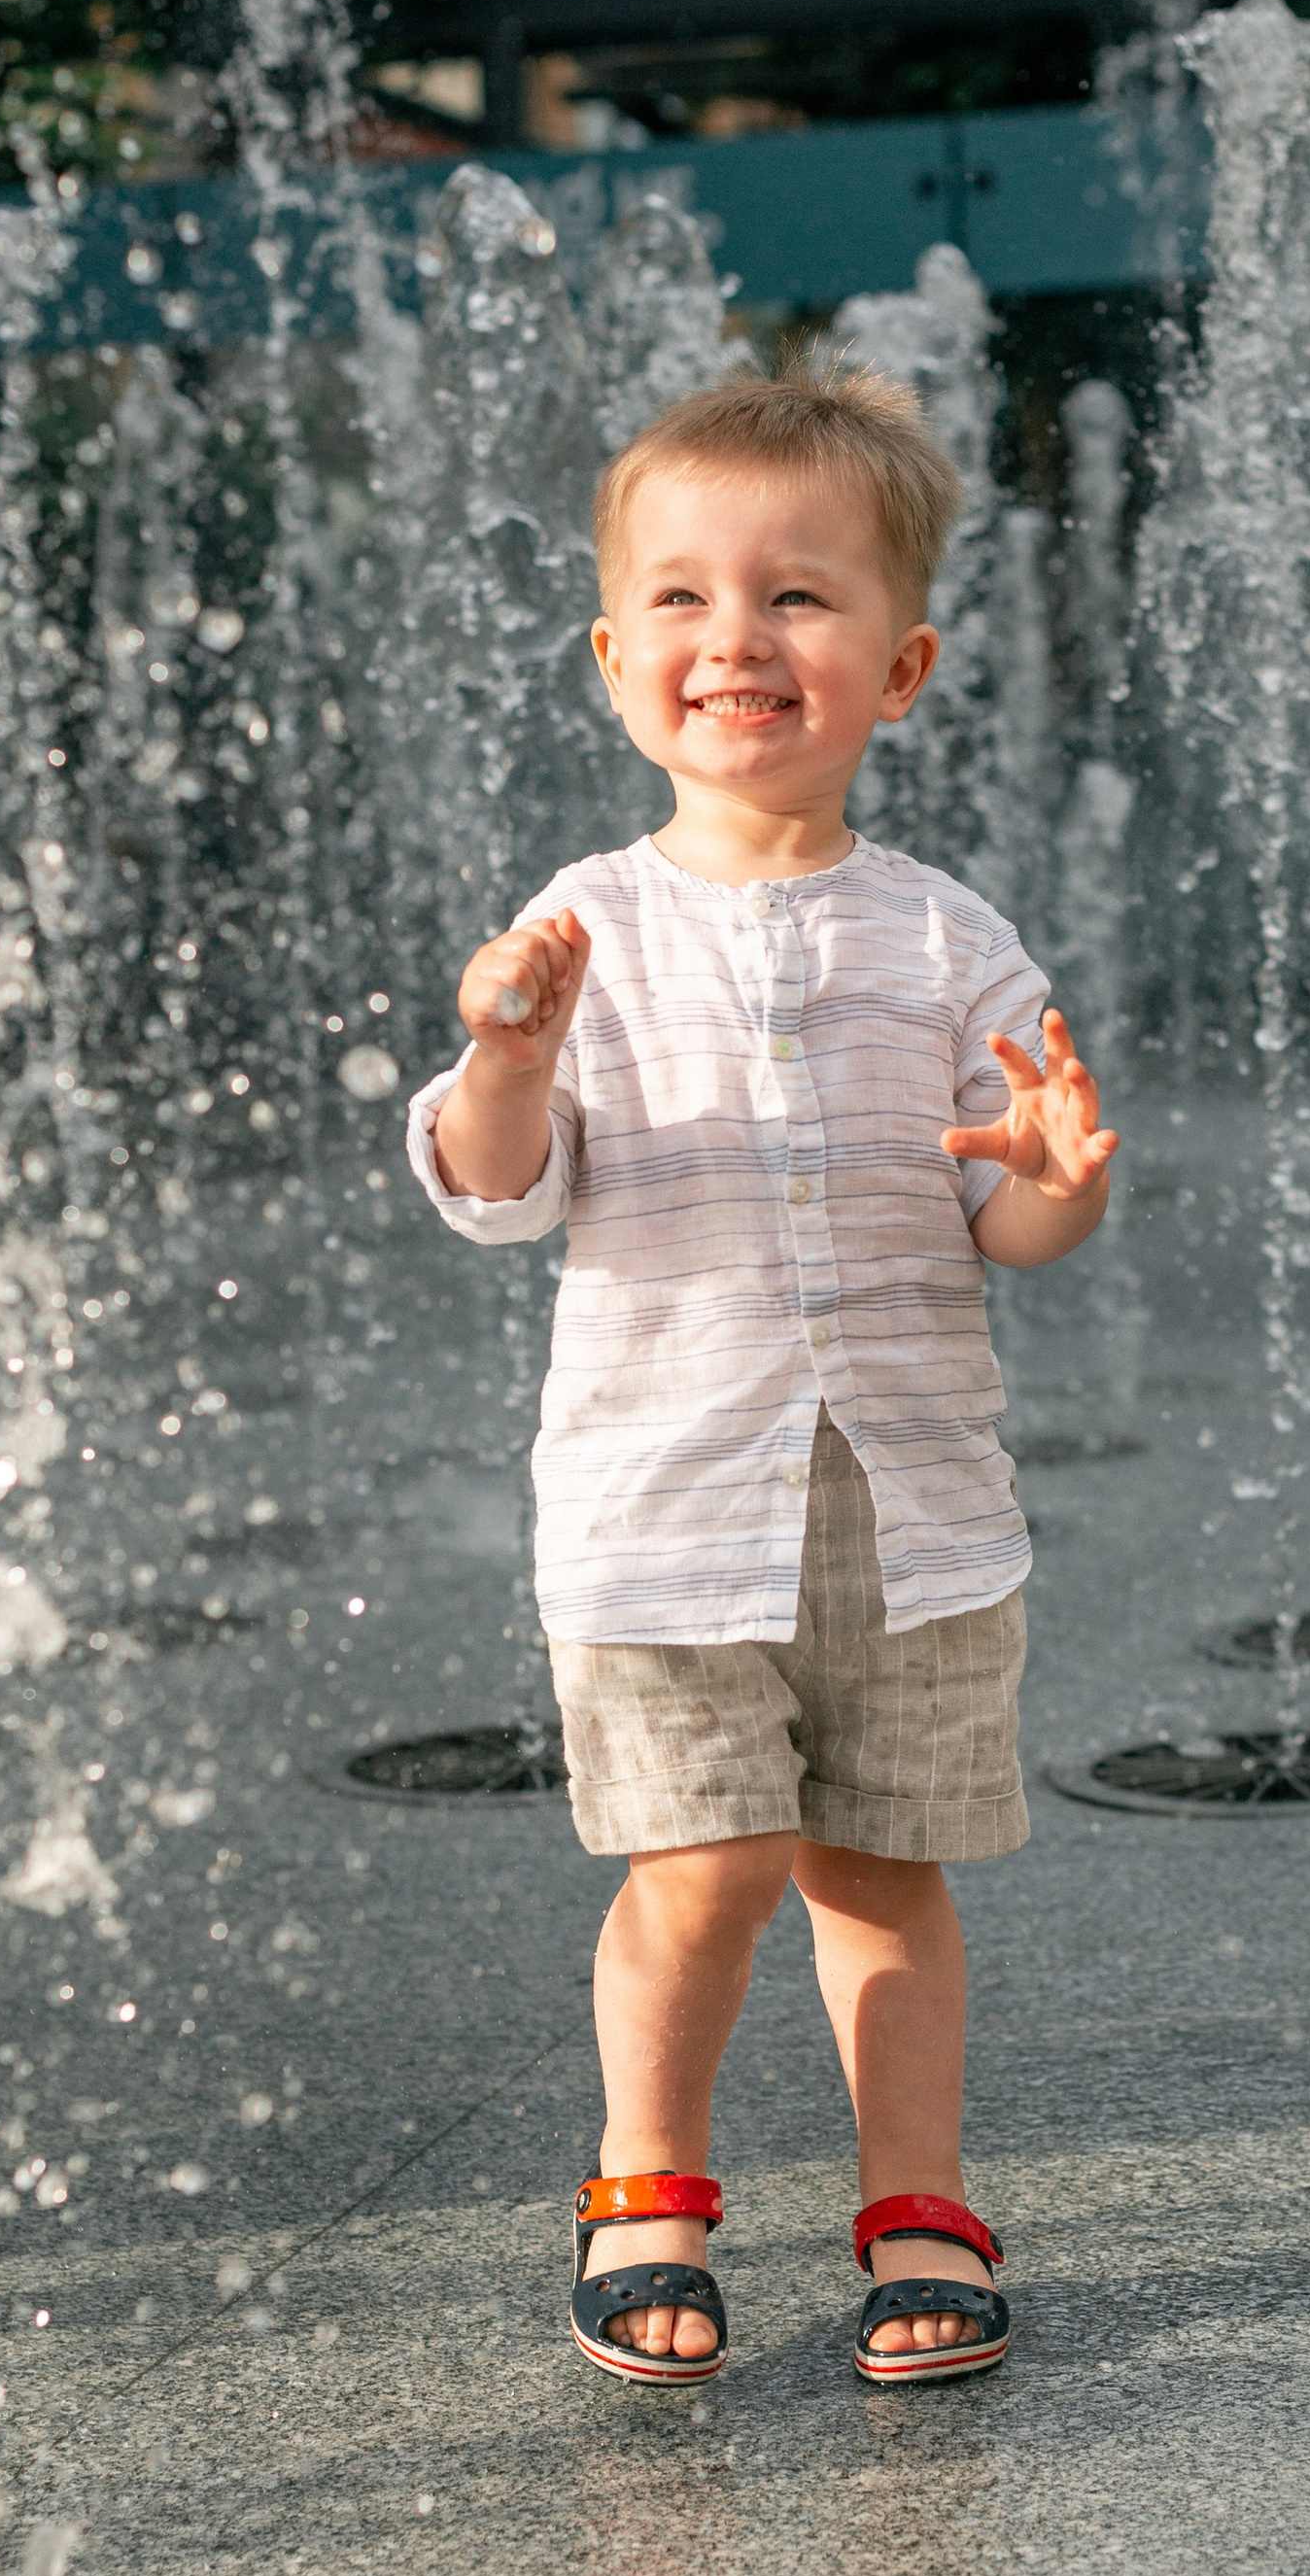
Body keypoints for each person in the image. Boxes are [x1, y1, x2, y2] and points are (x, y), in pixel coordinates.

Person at [404, 361, 1118, 2389]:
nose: (740, 641)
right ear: (615, 654)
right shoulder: (576, 928)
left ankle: (919, 2193)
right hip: (658, 1502)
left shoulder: (943, 936)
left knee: (885, 1877)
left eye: (796, 601)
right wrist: (510, 1056)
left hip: (906, 1502)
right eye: (689, 601)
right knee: (700, 1865)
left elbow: (1009, 1221)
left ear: (896, 668)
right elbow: (493, 1191)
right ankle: (646, 2175)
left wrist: (1054, 1185)